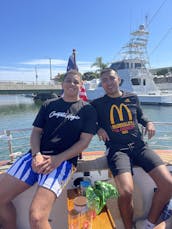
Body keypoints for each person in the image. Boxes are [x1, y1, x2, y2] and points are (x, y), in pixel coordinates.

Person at [0, 69, 97, 229]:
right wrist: (36, 154)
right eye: (68, 80)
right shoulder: (49, 105)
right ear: (62, 84)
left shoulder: (88, 110)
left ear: (81, 85)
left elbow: (84, 142)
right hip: (35, 155)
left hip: (64, 161)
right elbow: (36, 133)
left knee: (37, 217)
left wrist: (57, 159)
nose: (72, 84)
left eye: (76, 82)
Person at [91, 68, 172, 229]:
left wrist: (148, 123)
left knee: (168, 184)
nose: (108, 82)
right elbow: (87, 123)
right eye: (104, 80)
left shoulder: (133, 97)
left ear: (119, 80)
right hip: (117, 151)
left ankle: (149, 223)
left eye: (111, 78)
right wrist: (97, 129)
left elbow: (140, 116)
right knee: (126, 192)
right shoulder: (97, 104)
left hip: (140, 147)